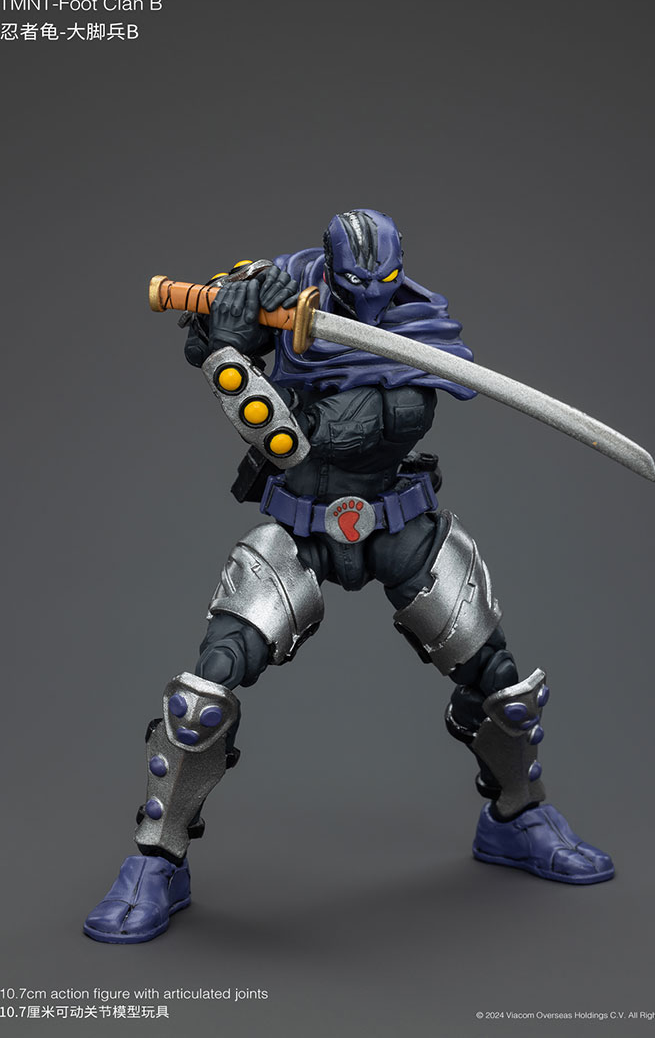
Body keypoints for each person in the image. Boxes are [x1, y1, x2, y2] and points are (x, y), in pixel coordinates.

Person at [83, 209, 613, 944]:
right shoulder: (278, 299)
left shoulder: (419, 329)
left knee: (503, 683)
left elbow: (378, 400)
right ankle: (155, 863)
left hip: (399, 523)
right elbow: (281, 442)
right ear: (331, 274)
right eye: (355, 286)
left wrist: (244, 348)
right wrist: (230, 342)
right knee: (205, 691)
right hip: (305, 524)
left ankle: (519, 818)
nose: (369, 302)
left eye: (383, 284)